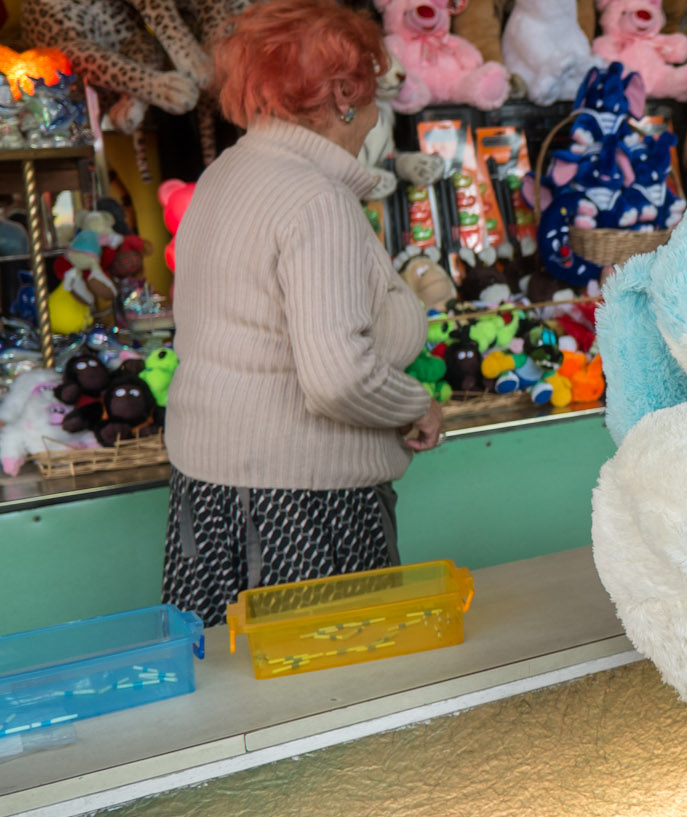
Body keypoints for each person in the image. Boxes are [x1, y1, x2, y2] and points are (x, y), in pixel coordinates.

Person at [161, 0, 442, 627]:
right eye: (370, 77)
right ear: (344, 93)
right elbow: (339, 377)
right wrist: (414, 404)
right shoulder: (315, 200)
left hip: (211, 490)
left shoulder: (224, 173)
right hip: (302, 505)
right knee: (328, 700)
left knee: (239, 703)